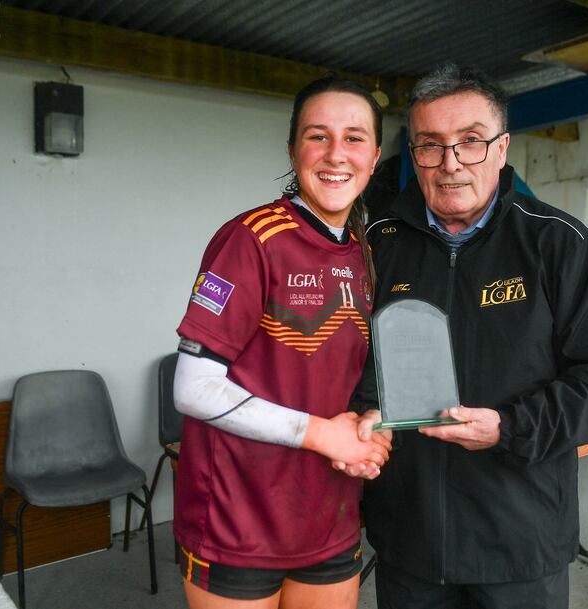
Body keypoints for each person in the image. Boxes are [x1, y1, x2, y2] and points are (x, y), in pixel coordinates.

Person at [353, 64, 588, 609]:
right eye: (431, 145)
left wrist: (508, 429)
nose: (451, 163)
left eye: (471, 142)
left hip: (520, 543)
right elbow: (356, 365)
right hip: (409, 538)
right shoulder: (378, 244)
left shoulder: (558, 242)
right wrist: (366, 412)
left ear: (502, 147)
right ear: (413, 155)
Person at [172, 75, 391, 609]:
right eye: (318, 136)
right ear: (293, 150)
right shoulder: (250, 239)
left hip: (329, 514)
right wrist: (323, 435)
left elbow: (349, 378)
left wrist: (369, 427)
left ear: (376, 155)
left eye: (355, 137)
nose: (336, 153)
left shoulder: (366, 252)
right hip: (237, 518)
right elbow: (194, 388)